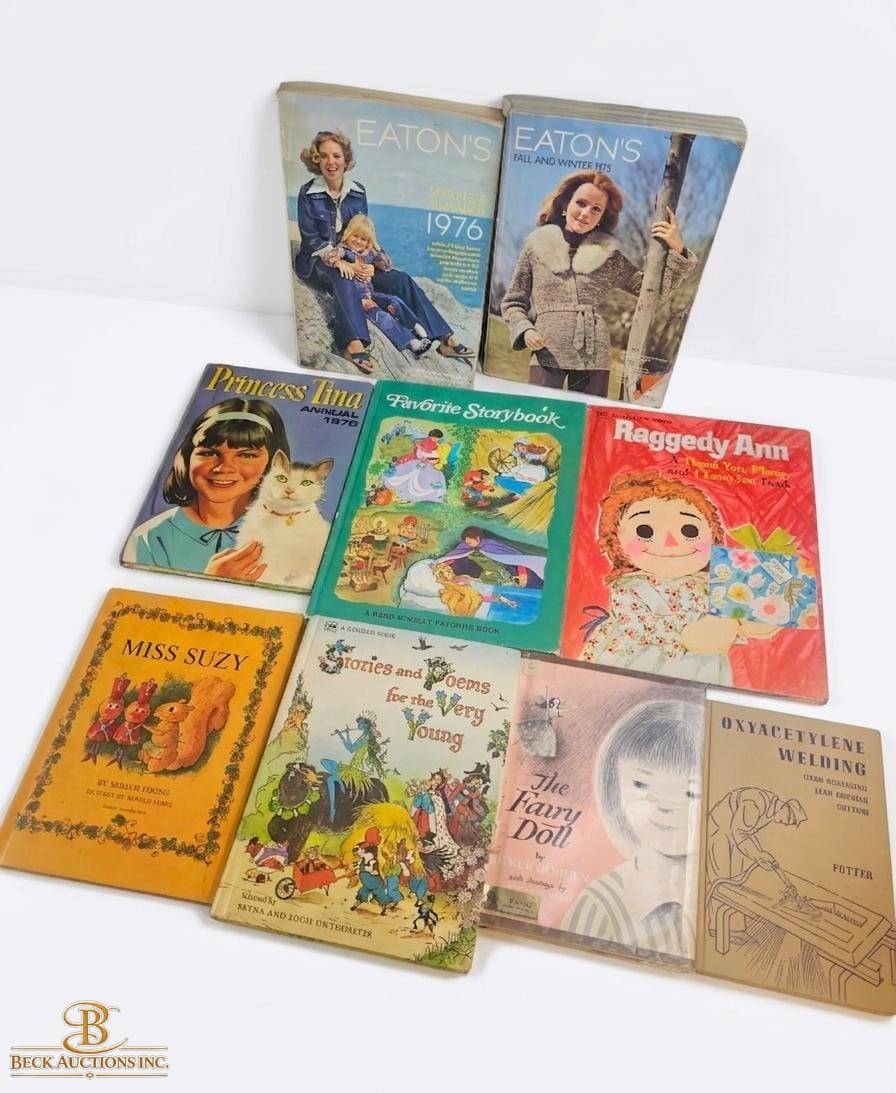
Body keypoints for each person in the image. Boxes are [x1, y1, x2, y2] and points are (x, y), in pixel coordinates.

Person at [501, 170, 698, 397]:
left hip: (595, 353)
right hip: (547, 348)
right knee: (540, 411)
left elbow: (654, 292)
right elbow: (513, 302)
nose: (586, 213)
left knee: (588, 414)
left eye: (596, 209)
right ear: (565, 204)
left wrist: (678, 250)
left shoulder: (608, 257)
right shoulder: (535, 248)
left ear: (602, 217)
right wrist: (525, 329)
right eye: (581, 203)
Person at [294, 130, 474, 373]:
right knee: (344, 278)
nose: (330, 162)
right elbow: (311, 239)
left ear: (346, 160)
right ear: (317, 160)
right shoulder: (308, 193)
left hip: (355, 258)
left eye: (336, 156)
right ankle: (353, 343)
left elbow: (363, 231)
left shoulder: (357, 192)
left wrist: (370, 264)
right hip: (319, 261)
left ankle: (444, 338)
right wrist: (340, 263)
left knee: (401, 280)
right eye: (324, 156)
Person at [581, 470, 778, 685]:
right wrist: (694, 635)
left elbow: (732, 619)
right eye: (645, 531)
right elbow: (640, 628)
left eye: (690, 530)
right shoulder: (630, 587)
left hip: (700, 666)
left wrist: (750, 618)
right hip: (644, 662)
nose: (671, 542)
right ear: (615, 541)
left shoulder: (712, 584)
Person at [562, 699, 704, 960]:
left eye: (692, 792)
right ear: (613, 787)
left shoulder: (726, 903)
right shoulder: (600, 904)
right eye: (641, 784)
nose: (665, 805)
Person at [123, 398, 289, 581]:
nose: (224, 468)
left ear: (273, 463)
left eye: (247, 455)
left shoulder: (291, 531)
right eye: (209, 453)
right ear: (187, 457)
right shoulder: (147, 539)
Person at [323, 214, 433, 358]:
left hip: (371, 294)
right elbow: (328, 257)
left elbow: (387, 265)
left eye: (364, 239)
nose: (358, 241)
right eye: (355, 236)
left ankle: (414, 324)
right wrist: (339, 263)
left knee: (394, 300)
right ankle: (412, 343)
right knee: (382, 317)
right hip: (357, 299)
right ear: (348, 234)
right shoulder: (344, 251)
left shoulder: (368, 252)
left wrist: (376, 248)